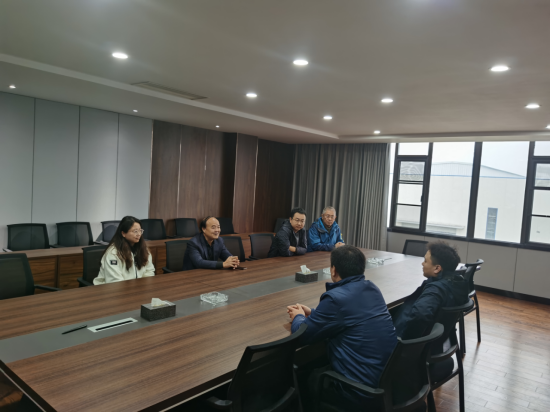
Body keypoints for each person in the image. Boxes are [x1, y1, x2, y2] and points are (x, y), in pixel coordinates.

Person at [287, 245, 397, 409]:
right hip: (385, 382)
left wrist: (298, 316)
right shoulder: (372, 288)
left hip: (358, 391)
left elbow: (301, 334)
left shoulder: (335, 299)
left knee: (303, 378)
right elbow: (347, 314)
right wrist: (315, 313)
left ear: (333, 270)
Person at [392, 241, 469, 340]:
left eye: (425, 261)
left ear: (437, 268)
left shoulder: (435, 291)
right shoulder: (458, 283)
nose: (422, 263)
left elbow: (419, 316)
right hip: (440, 338)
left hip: (407, 342)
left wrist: (405, 344)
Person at [94, 216, 156, 285]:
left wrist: (142, 286)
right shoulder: (113, 253)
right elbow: (114, 281)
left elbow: (149, 271)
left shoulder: (143, 249)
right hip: (109, 289)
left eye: (140, 230)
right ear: (123, 233)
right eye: (135, 231)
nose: (139, 234)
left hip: (136, 288)